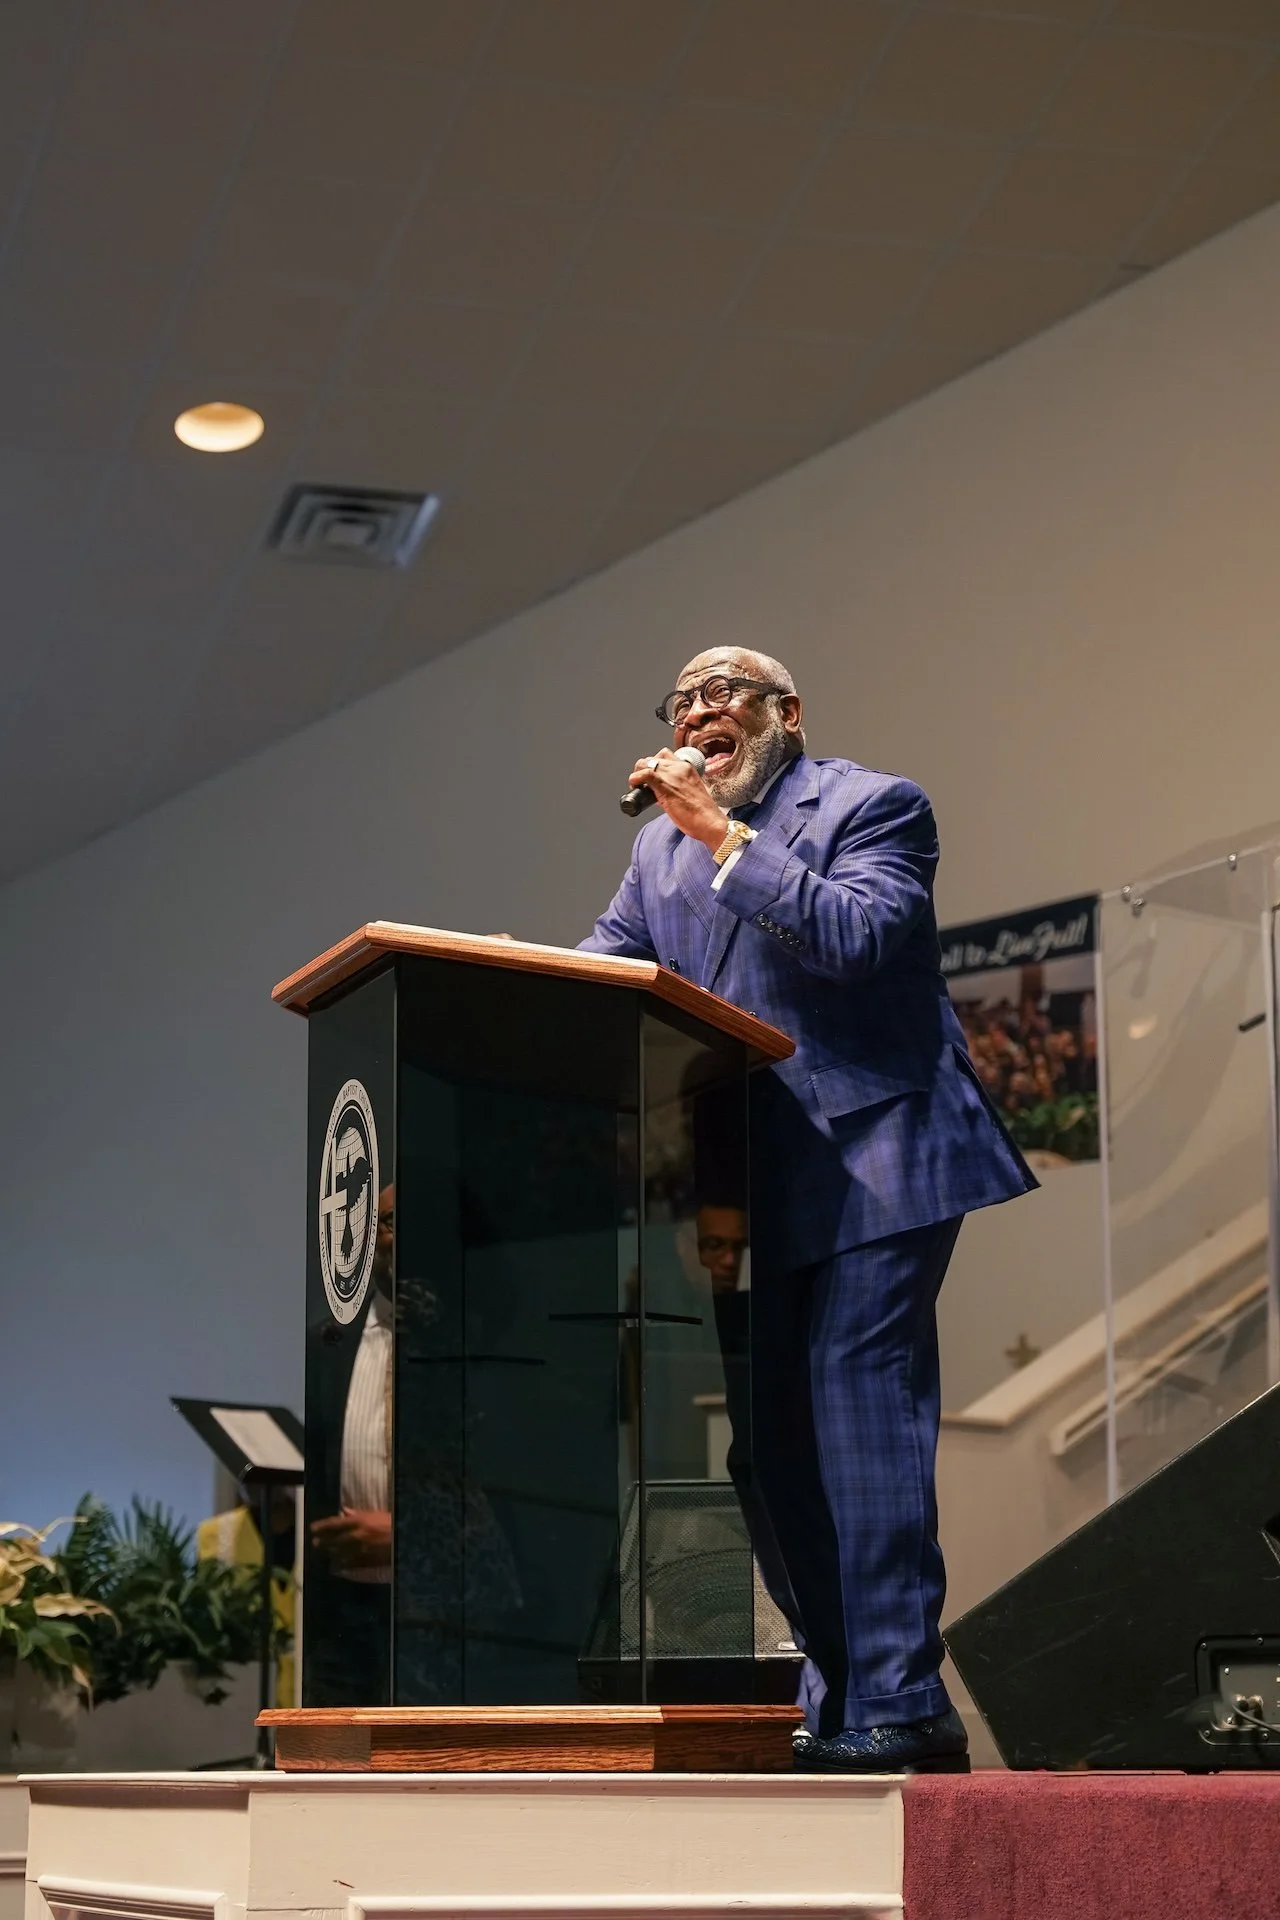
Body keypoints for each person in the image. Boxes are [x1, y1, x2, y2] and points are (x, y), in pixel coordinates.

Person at [580, 646, 1037, 1772]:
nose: (697, 709)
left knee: (855, 1421)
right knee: (767, 1455)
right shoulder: (656, 854)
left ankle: (898, 1699)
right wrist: (508, 977)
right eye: (681, 698)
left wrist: (720, 837)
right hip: (747, 1187)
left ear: (785, 714)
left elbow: (856, 938)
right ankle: (842, 1694)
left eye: (722, 691)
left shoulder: (874, 805)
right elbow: (609, 966)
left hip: (880, 1156)